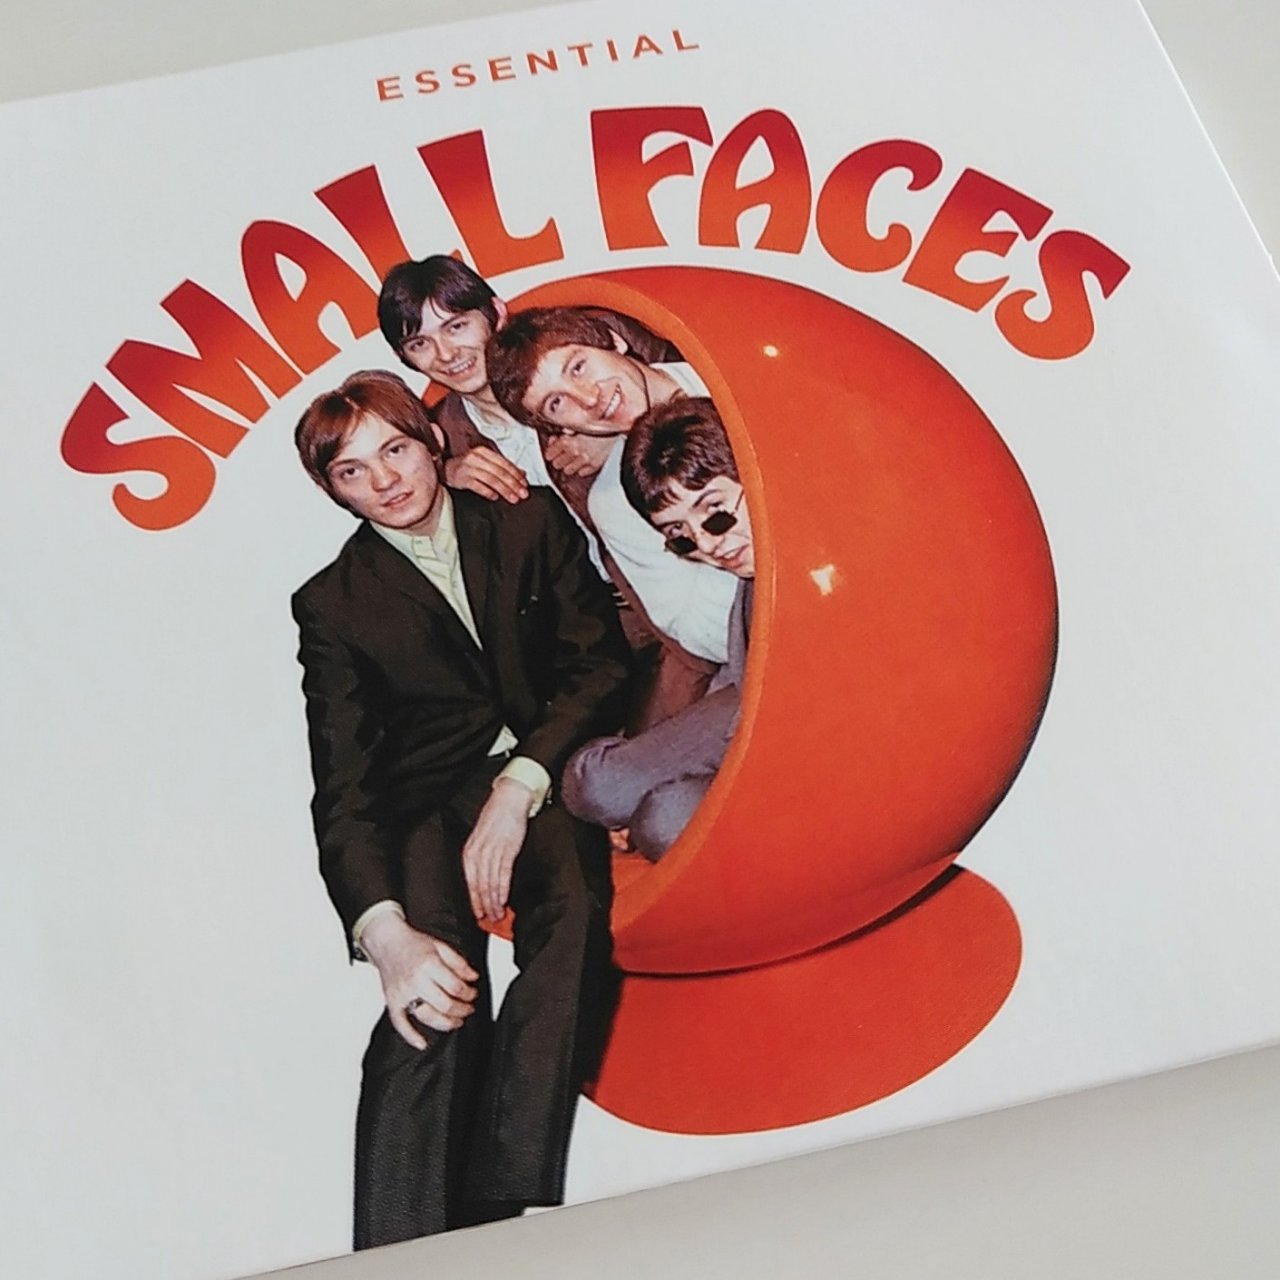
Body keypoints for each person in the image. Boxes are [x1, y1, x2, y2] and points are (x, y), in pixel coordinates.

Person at [290, 369, 629, 1245]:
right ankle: (391, 1249)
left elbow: (599, 664)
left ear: (433, 440)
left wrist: (521, 786)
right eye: (353, 471)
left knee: (575, 913)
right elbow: (344, 782)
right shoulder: (331, 604)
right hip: (426, 807)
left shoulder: (524, 519)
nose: (385, 480)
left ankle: (496, 1215)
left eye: (396, 449)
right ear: (332, 490)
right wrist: (383, 933)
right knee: (430, 993)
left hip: (538, 769)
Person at [377, 257, 713, 729]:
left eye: (456, 326)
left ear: (496, 312)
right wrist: (445, 474)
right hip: (599, 636)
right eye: (420, 344)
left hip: (696, 584)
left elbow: (699, 391)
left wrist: (626, 432)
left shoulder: (580, 348)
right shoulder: (442, 439)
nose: (447, 353)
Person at [486, 307, 738, 671]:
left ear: (614, 341)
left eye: (578, 367)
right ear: (560, 429)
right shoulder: (614, 504)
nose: (588, 398)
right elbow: (702, 635)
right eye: (556, 403)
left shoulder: (726, 367)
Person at [559, 397, 755, 860]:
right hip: (751, 704)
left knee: (662, 823)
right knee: (595, 785)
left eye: (716, 512)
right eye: (682, 538)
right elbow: (741, 674)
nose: (709, 544)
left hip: (821, 734)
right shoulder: (748, 586)